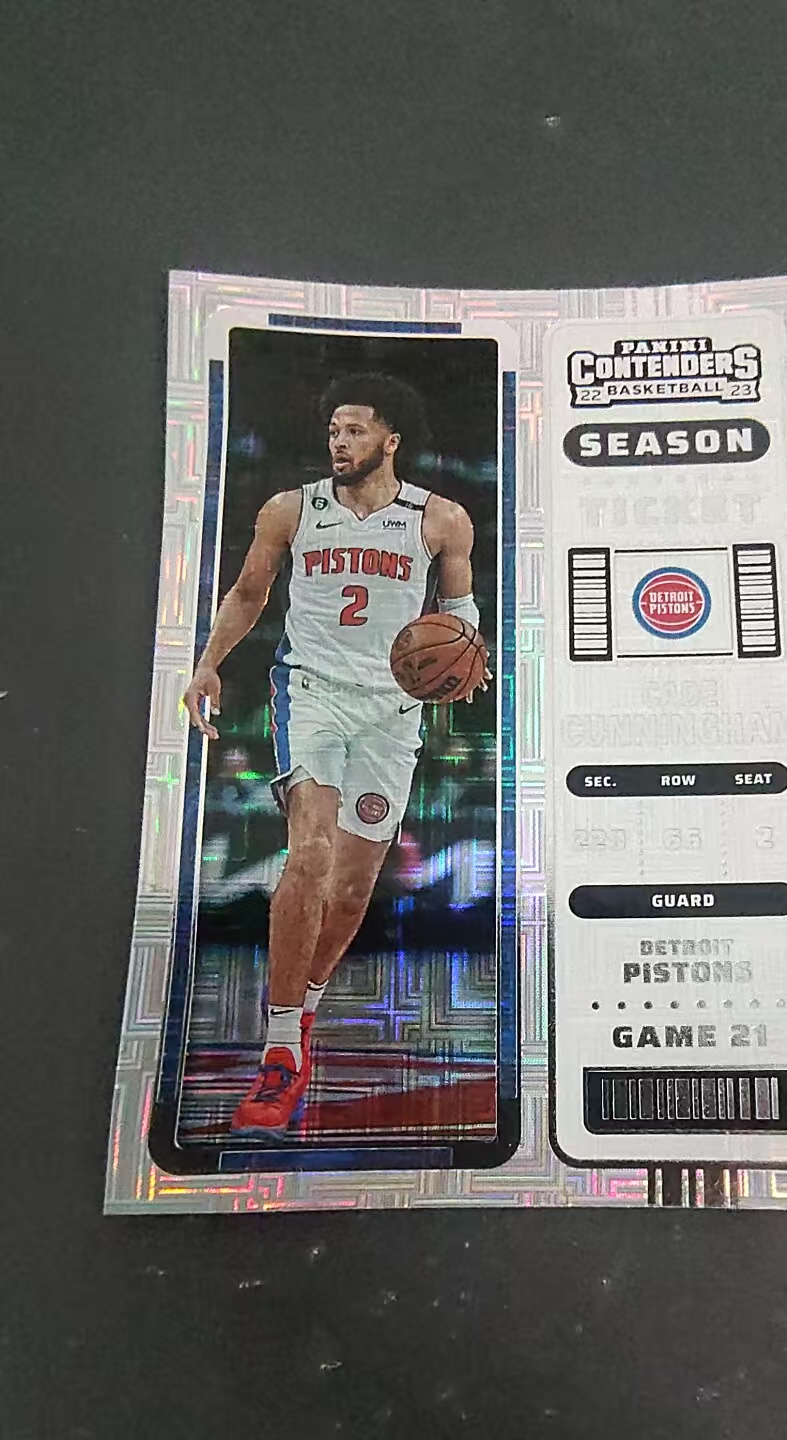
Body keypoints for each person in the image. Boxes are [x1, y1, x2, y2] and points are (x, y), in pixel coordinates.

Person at [183, 372, 488, 1138]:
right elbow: (249, 594)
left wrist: (468, 655)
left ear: (390, 439)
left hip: (393, 709)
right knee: (310, 854)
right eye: (333, 432)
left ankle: (306, 1008)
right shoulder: (291, 509)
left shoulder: (441, 519)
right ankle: (281, 1049)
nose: (340, 443)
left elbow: (458, 614)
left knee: (352, 890)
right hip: (310, 693)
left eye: (355, 430)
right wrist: (209, 663)